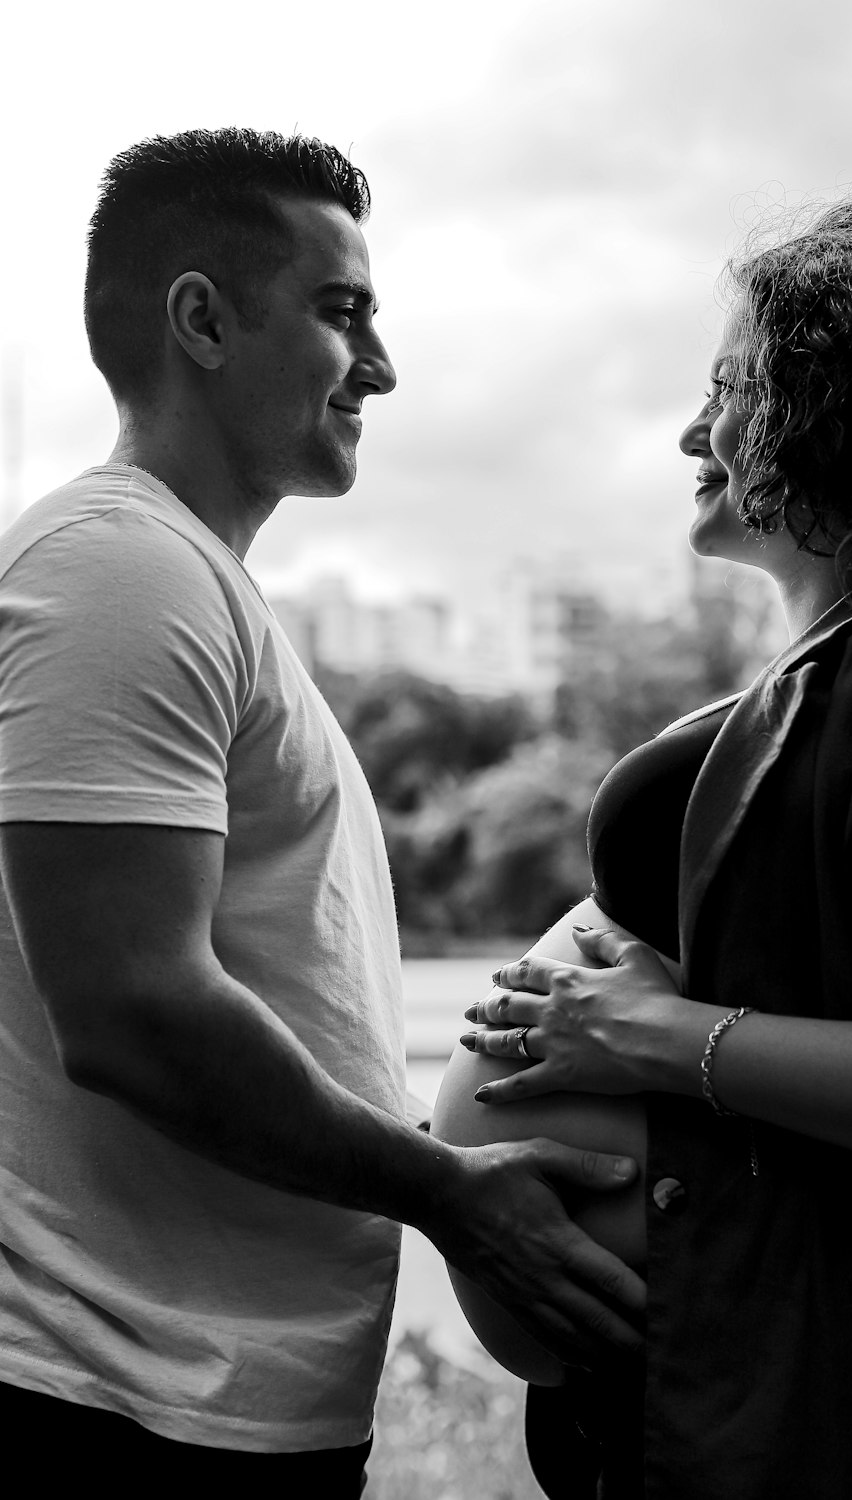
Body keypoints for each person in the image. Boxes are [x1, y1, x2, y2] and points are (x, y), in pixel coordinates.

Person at [0, 126, 646, 1487]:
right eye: (342, 310)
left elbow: (269, 998)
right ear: (202, 320)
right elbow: (134, 1008)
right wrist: (450, 1198)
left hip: (212, 1396)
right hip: (112, 1399)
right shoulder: (118, 571)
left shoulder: (194, 588)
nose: (385, 366)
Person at [454, 195, 852, 1498]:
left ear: (835, 405)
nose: (695, 433)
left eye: (730, 390)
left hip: (828, 1414)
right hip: (702, 1377)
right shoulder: (849, 664)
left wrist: (647, 1039)